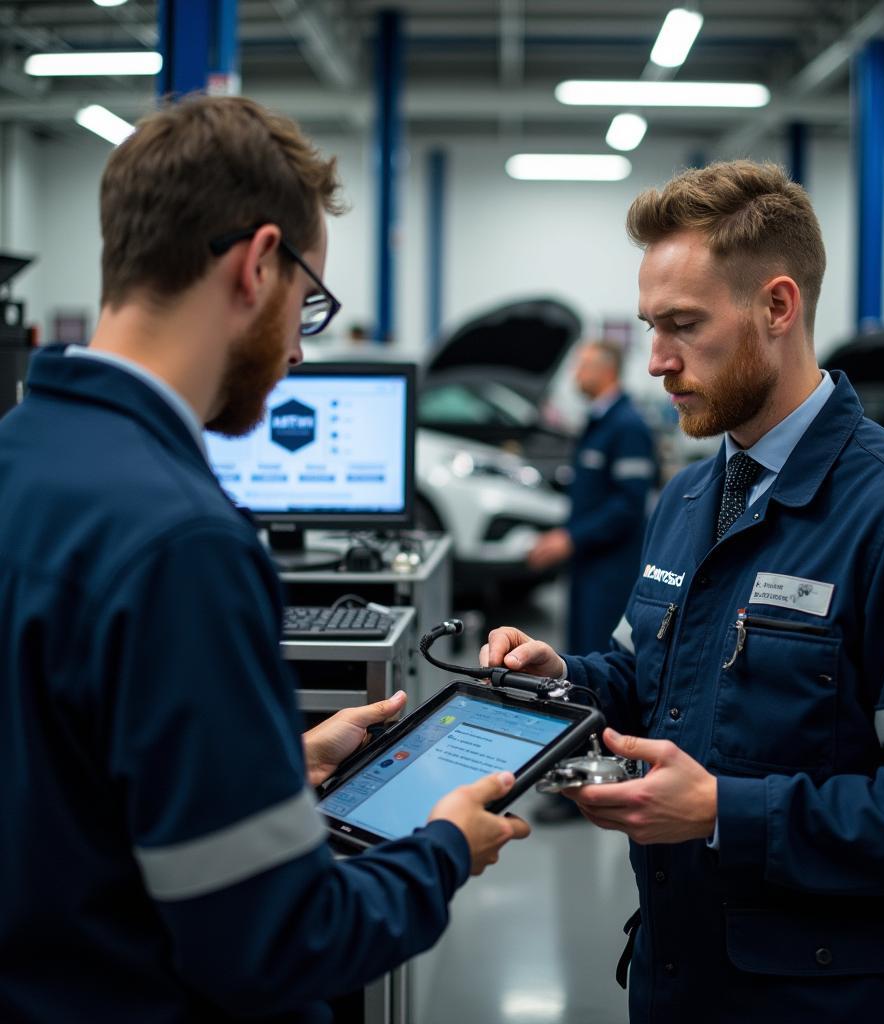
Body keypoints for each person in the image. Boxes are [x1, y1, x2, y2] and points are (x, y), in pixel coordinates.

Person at [0, 95, 529, 1023]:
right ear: (257, 264)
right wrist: (443, 847)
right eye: (309, 301)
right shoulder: (183, 542)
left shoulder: (20, 457)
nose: (297, 347)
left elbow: (61, 788)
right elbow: (278, 943)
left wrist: (271, 764)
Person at [483, 160, 884, 1023]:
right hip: (677, 973)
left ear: (778, 306)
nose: (656, 361)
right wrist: (563, 679)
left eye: (683, 326)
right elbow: (647, 681)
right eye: (650, 327)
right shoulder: (690, 499)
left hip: (830, 999)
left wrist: (724, 812)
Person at [528, 339, 657, 656]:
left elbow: (628, 504)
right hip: (586, 564)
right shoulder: (598, 421)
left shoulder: (628, 426)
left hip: (611, 572)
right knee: (579, 655)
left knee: (601, 657)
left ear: (606, 370)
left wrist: (570, 538)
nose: (575, 374)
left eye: (581, 366)